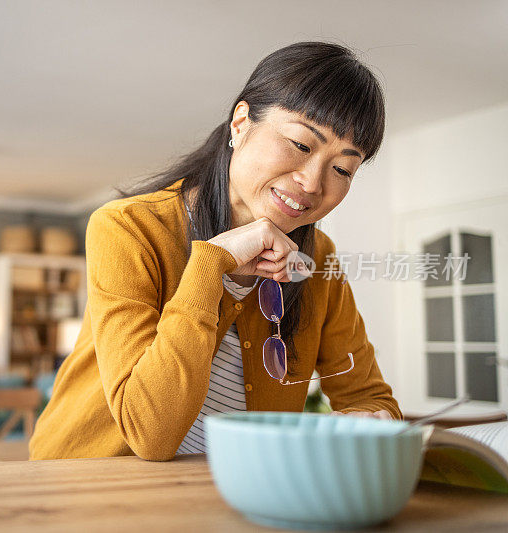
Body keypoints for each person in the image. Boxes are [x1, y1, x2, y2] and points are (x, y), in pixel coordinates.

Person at [29, 41, 401, 462]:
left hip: (234, 489)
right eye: (300, 144)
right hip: (87, 485)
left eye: (342, 169)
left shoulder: (318, 258)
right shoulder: (128, 228)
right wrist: (211, 263)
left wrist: (370, 421)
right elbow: (150, 435)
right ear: (241, 123)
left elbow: (369, 397)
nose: (313, 182)